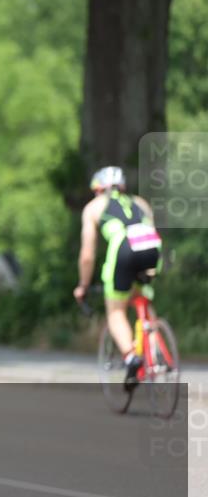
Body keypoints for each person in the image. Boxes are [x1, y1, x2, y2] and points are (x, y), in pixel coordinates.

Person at [74, 166, 162, 388]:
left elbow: (87, 255)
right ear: (122, 187)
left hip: (124, 248)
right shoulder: (140, 202)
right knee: (143, 301)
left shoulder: (94, 207)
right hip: (151, 246)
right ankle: (154, 356)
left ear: (98, 189)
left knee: (115, 311)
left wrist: (83, 285)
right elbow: (151, 231)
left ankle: (132, 357)